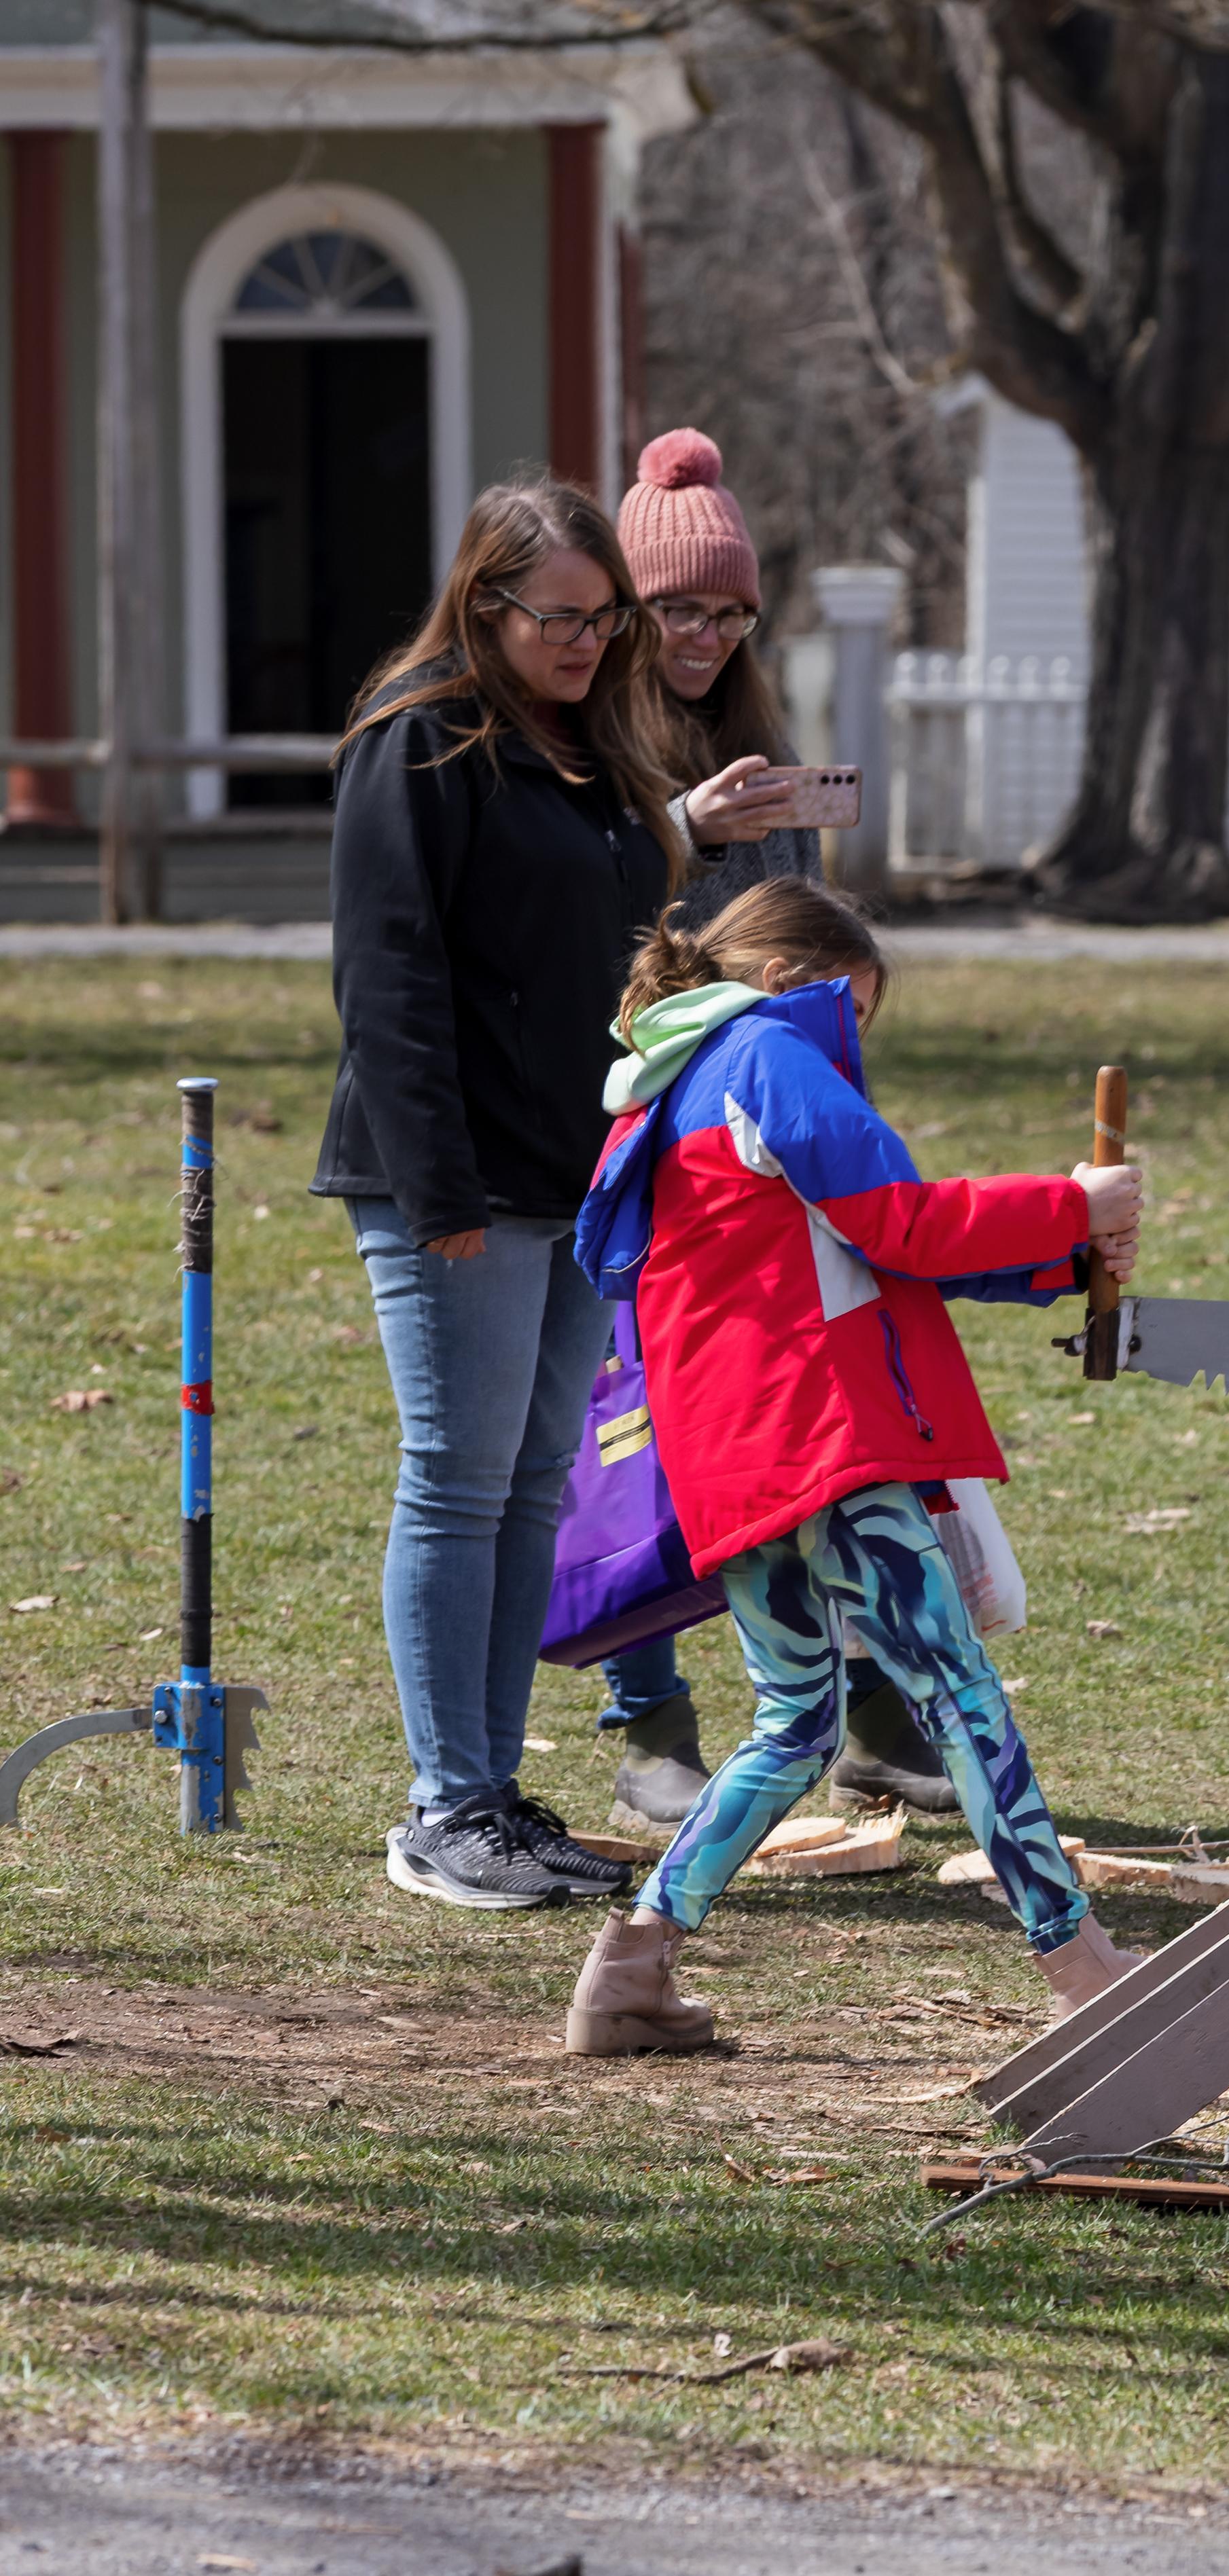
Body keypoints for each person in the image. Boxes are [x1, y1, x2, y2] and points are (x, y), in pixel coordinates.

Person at [558, 878, 1144, 2053]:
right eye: (857, 1014)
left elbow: (851, 1250)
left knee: (797, 1718)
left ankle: (628, 1970)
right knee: (957, 1691)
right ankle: (1082, 1966)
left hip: (734, 1452)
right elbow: (898, 1222)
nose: (855, 1042)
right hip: (819, 1438)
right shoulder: (771, 1051)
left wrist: (1061, 1254)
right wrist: (1068, 1205)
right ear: (801, 980)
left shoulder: (676, 1082)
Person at [315, 477, 683, 1912]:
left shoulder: (589, 751)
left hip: (572, 1172)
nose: (589, 641)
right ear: (487, 604)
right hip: (451, 1178)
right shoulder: (416, 745)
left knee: (534, 1482)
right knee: (459, 1480)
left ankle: (493, 1793)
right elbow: (388, 980)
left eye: (607, 617)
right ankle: (443, 1809)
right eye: (561, 618)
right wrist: (438, 1185)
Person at [590, 427, 951, 1829]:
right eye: (680, 607)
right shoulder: (591, 746)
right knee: (640, 1434)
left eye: (730, 613)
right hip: (642, 1129)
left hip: (772, 1135)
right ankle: (651, 1725)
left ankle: (869, 1703)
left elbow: (787, 935)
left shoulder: (762, 738)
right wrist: (681, 825)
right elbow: (585, 920)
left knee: (815, 1416)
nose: (705, 634)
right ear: (628, 607)